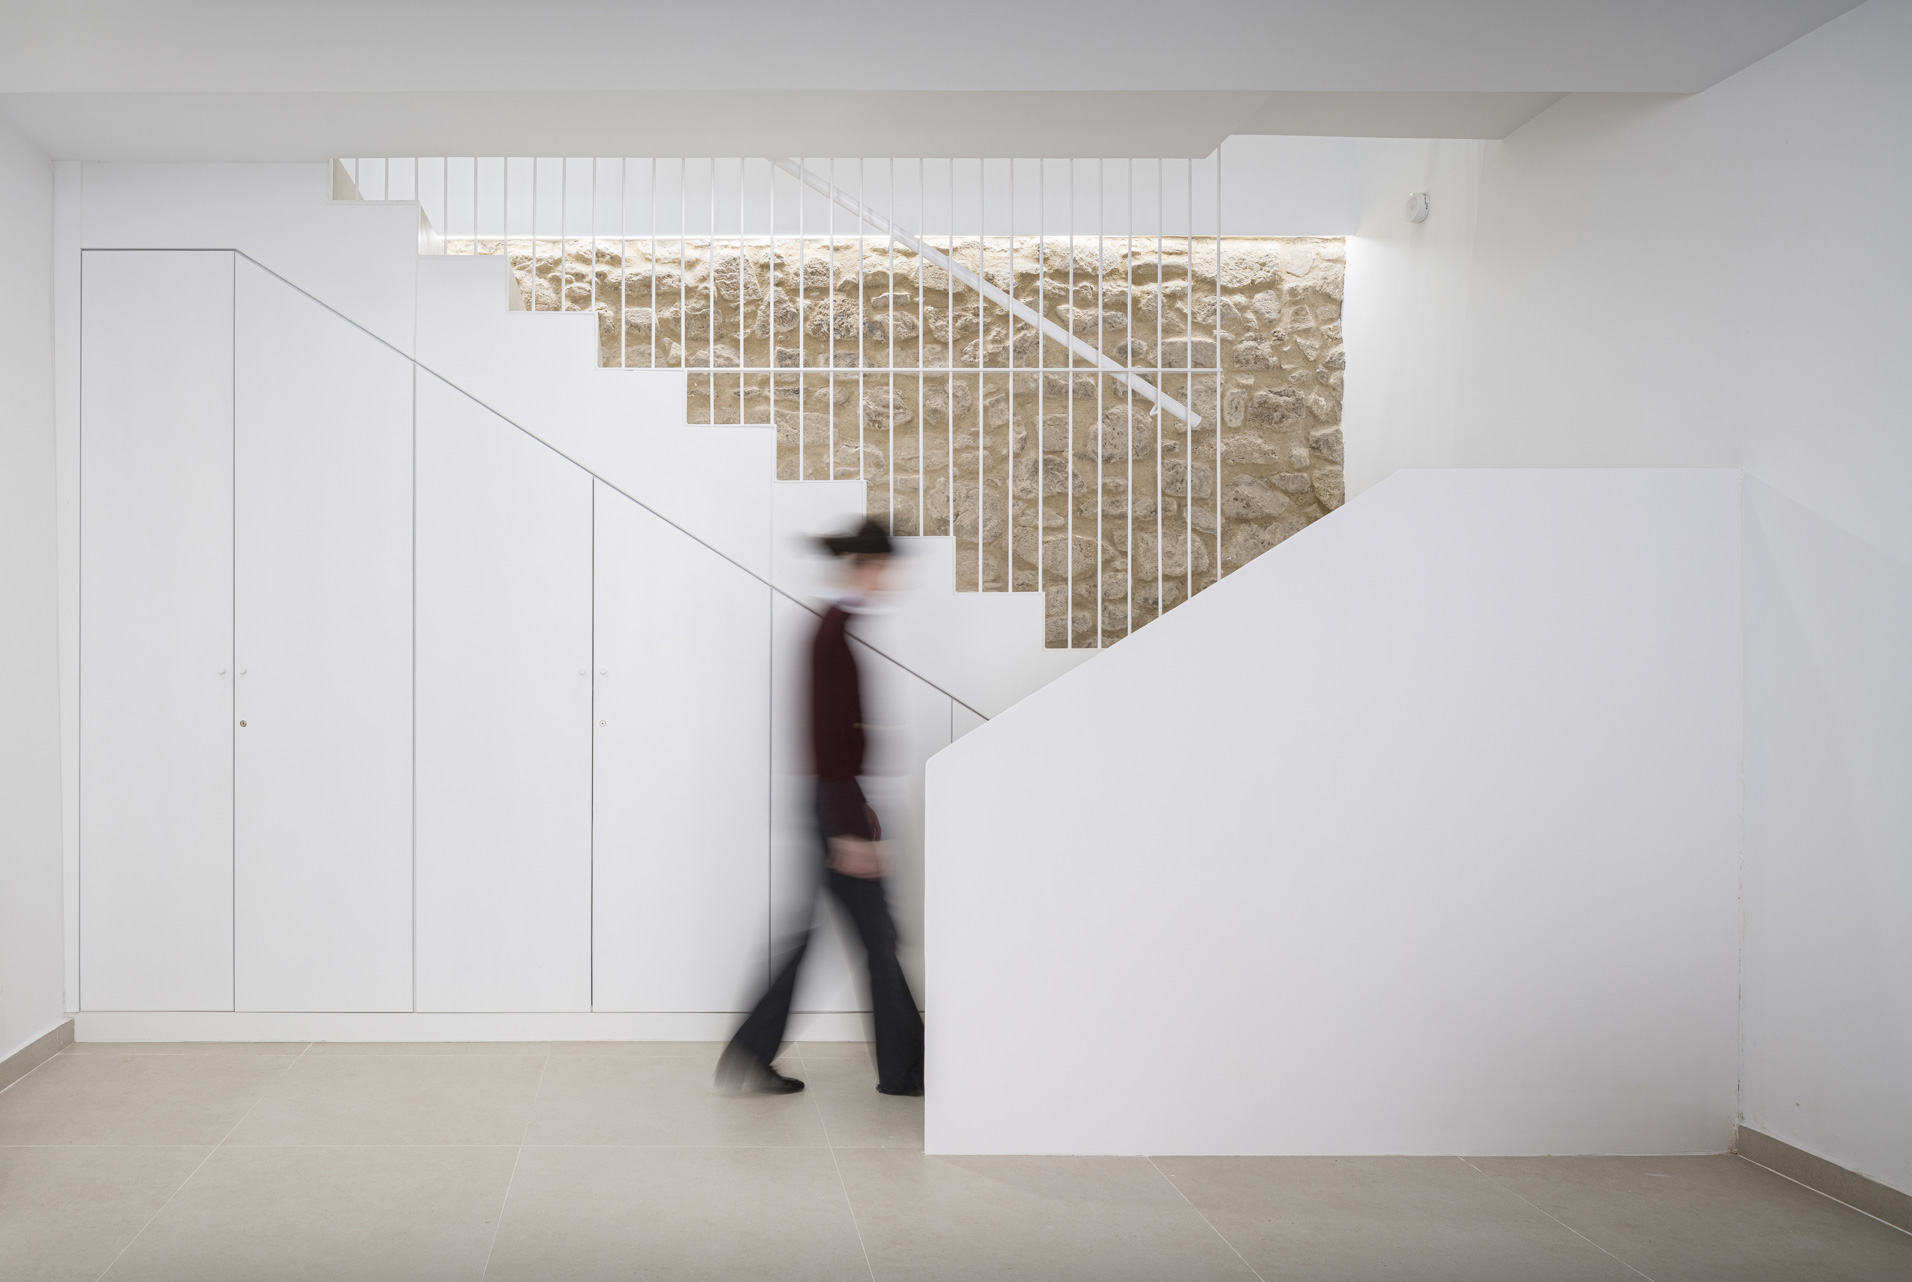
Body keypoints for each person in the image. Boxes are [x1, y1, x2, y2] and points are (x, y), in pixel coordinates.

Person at [718, 519, 925, 1096]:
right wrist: (849, 828)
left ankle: (757, 1051)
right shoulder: (833, 631)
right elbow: (828, 738)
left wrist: (855, 810)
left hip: (836, 802)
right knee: (875, 935)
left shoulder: (835, 626)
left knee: (862, 935)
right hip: (835, 806)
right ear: (869, 566)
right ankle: (906, 1070)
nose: (892, 579)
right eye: (888, 568)